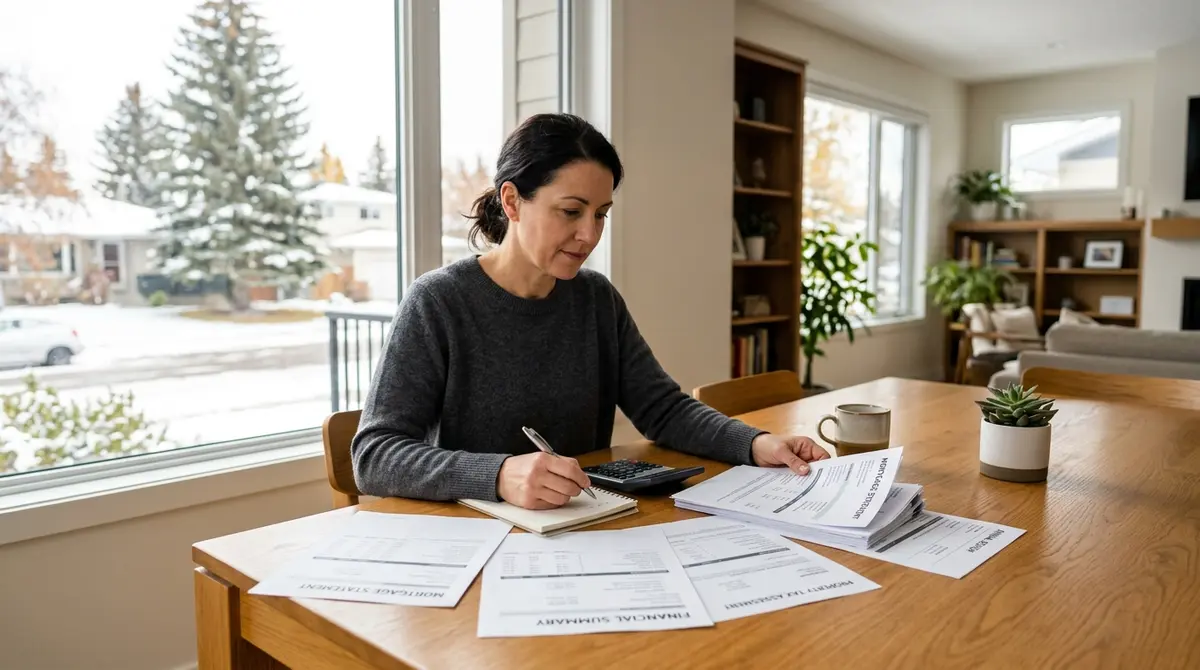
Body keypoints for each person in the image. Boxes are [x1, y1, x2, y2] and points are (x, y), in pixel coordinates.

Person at [351, 113, 828, 510]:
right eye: (571, 211)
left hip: (581, 526)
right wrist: (497, 474)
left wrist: (754, 444)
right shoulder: (438, 302)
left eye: (601, 213)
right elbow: (374, 456)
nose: (590, 235)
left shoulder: (596, 299)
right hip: (471, 542)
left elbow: (662, 409)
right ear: (512, 201)